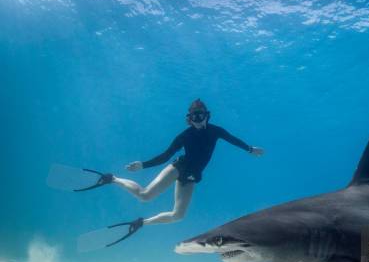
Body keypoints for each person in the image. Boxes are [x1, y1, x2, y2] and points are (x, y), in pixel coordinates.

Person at [93, 98, 263, 239]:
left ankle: (141, 223)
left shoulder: (215, 131)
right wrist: (142, 165)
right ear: (189, 118)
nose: (197, 120)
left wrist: (250, 149)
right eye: (194, 117)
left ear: (207, 116)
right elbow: (165, 156)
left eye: (200, 115)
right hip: (178, 167)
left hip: (193, 176)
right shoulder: (185, 136)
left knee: (178, 216)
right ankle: (113, 179)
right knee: (145, 196)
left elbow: (232, 139)